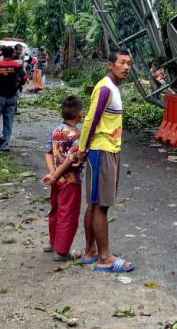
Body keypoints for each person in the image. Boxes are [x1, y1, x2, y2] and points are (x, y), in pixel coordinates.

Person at [75, 49, 134, 273]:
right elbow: (91, 121)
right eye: (122, 62)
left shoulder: (114, 88)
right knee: (101, 205)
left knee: (94, 203)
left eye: (129, 63)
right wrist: (82, 149)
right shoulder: (105, 88)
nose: (126, 67)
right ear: (111, 65)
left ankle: (90, 251)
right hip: (102, 151)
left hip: (108, 149)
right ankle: (105, 257)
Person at [41, 96, 85, 261]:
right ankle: (62, 251)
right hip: (70, 181)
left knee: (55, 210)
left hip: (56, 181)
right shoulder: (77, 135)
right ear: (79, 114)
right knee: (68, 214)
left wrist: (53, 174)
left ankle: (53, 243)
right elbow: (71, 160)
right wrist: (57, 175)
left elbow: (48, 152)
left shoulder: (56, 130)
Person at [0, 45, 26, 152]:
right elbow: (24, 77)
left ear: (2, 54)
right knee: (8, 121)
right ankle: (5, 145)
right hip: (12, 96)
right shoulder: (16, 65)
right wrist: (18, 85)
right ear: (12, 54)